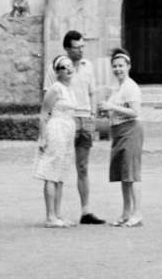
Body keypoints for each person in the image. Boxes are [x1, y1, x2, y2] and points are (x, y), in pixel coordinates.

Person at [61, 30, 105, 224]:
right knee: (60, 165)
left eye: (82, 47)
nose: (81, 51)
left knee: (83, 166)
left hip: (85, 119)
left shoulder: (88, 66)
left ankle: (86, 211)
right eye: (77, 47)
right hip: (67, 119)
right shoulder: (60, 66)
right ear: (67, 49)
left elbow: (93, 93)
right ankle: (56, 213)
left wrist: (93, 117)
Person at [98, 47, 143, 227]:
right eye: (115, 66)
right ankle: (126, 213)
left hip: (131, 130)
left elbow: (135, 111)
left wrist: (112, 107)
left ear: (128, 66)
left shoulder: (131, 86)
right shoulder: (117, 88)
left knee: (132, 173)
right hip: (118, 131)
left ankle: (137, 213)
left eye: (121, 66)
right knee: (124, 174)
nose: (118, 69)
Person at [34, 54, 77, 227]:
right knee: (51, 173)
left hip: (68, 131)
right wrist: (43, 137)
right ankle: (50, 216)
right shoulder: (55, 88)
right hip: (56, 129)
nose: (68, 69)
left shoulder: (70, 89)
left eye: (70, 66)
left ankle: (58, 215)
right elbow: (44, 114)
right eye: (64, 67)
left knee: (61, 174)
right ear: (57, 72)